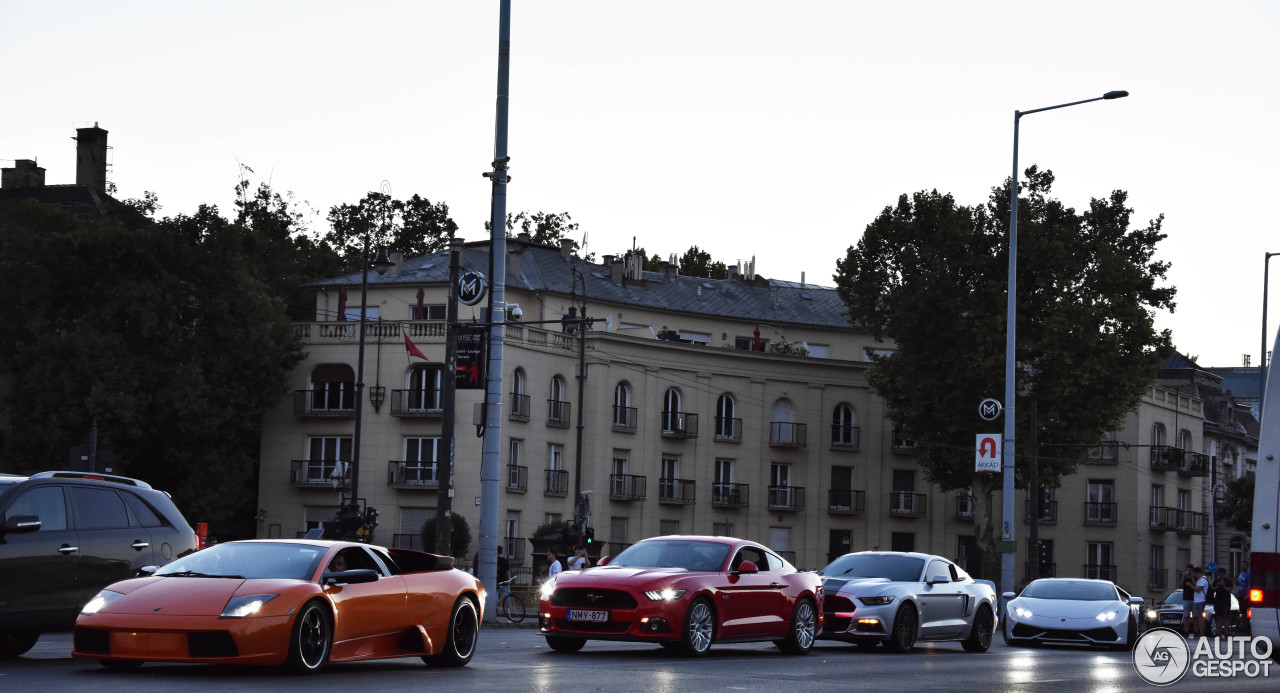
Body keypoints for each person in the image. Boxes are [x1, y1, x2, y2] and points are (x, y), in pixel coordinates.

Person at [1212, 569, 1234, 635]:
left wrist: (1223, 585)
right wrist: (1217, 586)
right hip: (1218, 601)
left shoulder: (1228, 581)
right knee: (1218, 617)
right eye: (1219, 574)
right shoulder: (1216, 581)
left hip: (1226, 601)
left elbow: (1229, 590)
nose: (1220, 576)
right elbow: (1212, 589)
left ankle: (1226, 632)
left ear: (1224, 574)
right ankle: (1218, 632)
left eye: (1222, 574)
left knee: (1226, 617)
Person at [1180, 564, 1197, 636]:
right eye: (1188, 570)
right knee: (1186, 616)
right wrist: (1184, 576)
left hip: (1194, 599)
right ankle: (1186, 631)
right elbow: (1180, 584)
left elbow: (1196, 586)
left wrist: (1192, 578)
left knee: (1194, 616)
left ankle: (1195, 631)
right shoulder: (1185, 578)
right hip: (1186, 599)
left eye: (1190, 571)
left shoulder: (1195, 578)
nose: (1189, 572)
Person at [1192, 566, 1209, 637]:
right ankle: (1197, 631)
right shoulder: (1199, 580)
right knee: (1195, 617)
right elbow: (1196, 585)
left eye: (1195, 574)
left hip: (1200, 600)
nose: (1195, 576)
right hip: (1197, 600)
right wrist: (1192, 579)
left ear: (1198, 573)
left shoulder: (1203, 580)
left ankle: (1201, 633)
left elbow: (1198, 589)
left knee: (1200, 617)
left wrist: (1190, 586)